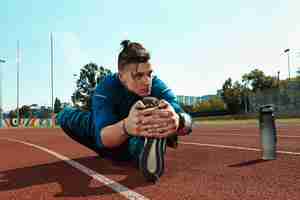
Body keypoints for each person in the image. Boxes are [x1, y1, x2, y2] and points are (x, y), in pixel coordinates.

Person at [57, 40, 192, 182]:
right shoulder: (106, 87)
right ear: (121, 76)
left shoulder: (157, 86)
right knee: (66, 115)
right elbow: (103, 137)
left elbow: (189, 122)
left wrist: (179, 120)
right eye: (138, 75)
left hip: (134, 138)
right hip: (105, 132)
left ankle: (143, 147)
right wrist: (126, 126)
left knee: (135, 143)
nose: (147, 81)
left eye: (149, 74)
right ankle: (135, 146)